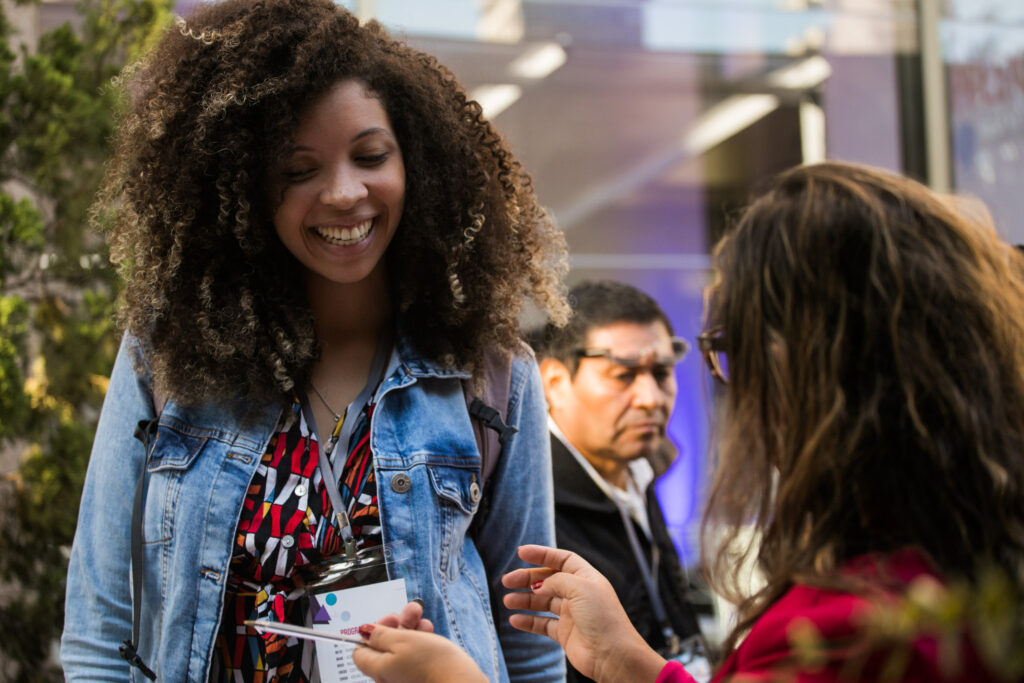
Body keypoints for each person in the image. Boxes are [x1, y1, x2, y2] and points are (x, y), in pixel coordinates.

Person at [350, 161, 1024, 683]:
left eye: (719, 350)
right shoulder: (955, 561)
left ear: (816, 368)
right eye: (623, 372)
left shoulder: (852, 624)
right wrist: (636, 664)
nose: (654, 396)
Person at [60, 0, 570, 680]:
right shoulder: (170, 353)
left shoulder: (488, 378)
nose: (342, 192)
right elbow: (102, 627)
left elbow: (532, 643)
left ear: (414, 160)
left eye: (370, 155)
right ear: (244, 185)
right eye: (299, 169)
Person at [530, 280, 706, 681]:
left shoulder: (641, 468)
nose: (650, 397)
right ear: (554, 383)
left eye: (662, 372)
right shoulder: (531, 504)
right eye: (623, 375)